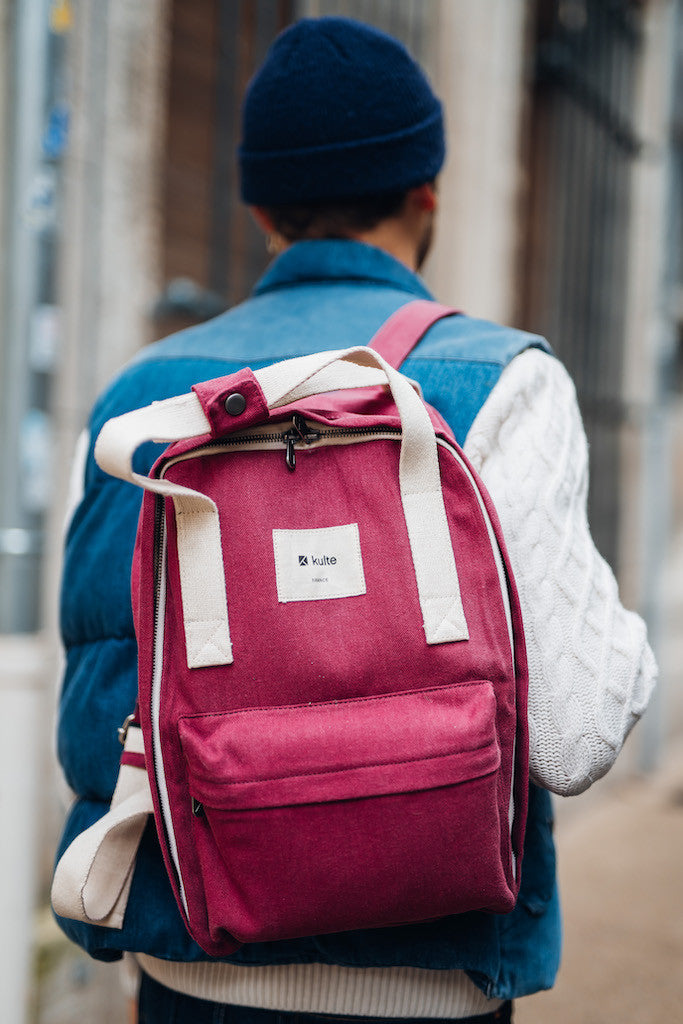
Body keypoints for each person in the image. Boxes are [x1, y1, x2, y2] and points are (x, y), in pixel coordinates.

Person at [53, 16, 657, 1024]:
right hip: (426, 988)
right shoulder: (499, 382)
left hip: (186, 978)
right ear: (427, 192)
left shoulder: (138, 403)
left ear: (256, 207)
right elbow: (572, 734)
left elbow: (101, 714)